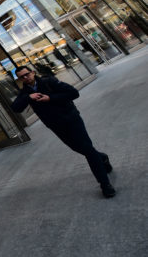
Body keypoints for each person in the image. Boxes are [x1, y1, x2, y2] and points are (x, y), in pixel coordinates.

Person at [10, 66, 115, 198]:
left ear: (33, 72)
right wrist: (28, 98)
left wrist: (50, 98)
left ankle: (105, 185)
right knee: (78, 148)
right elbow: (15, 108)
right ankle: (102, 158)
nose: (25, 78)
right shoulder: (25, 93)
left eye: (27, 74)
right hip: (55, 126)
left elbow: (73, 93)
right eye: (22, 77)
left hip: (71, 119)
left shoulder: (49, 81)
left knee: (87, 150)